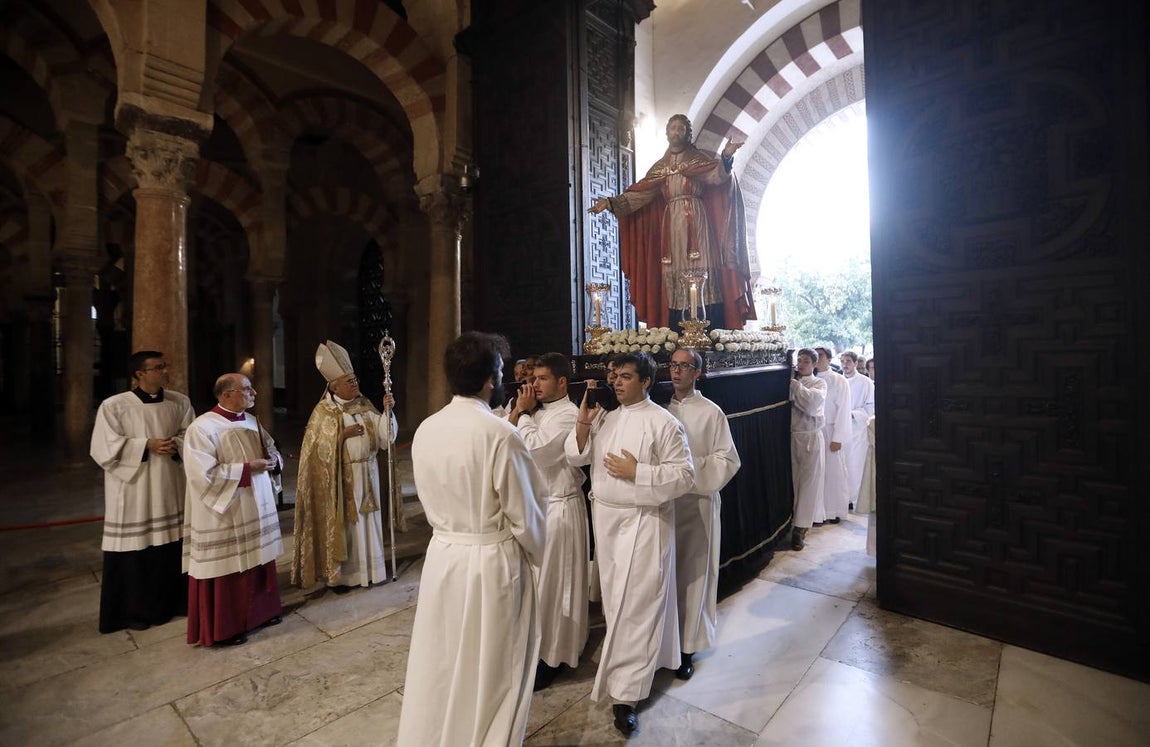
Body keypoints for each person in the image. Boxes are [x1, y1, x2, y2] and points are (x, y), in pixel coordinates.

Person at [397, 332, 547, 747]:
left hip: (443, 556)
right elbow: (526, 515)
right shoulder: (500, 435)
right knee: (494, 666)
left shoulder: (427, 429)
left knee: (442, 659)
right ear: (490, 379)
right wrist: (537, 552)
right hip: (491, 561)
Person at [565, 351, 694, 735]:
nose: (616, 382)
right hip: (607, 522)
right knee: (617, 603)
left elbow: (685, 476)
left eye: (624, 376)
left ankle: (626, 695)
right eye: (614, 375)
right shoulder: (607, 418)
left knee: (638, 605)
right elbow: (577, 457)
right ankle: (643, 665)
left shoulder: (663, 422)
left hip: (644, 522)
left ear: (646, 381)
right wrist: (583, 423)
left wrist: (640, 472)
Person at [588, 114, 756, 329]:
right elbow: (641, 194)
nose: (676, 132)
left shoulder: (697, 160)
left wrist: (726, 156)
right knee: (674, 274)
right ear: (667, 133)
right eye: (673, 128)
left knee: (703, 269)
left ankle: (711, 329)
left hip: (697, 221)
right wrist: (611, 203)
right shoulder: (660, 167)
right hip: (671, 226)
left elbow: (717, 177)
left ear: (687, 134)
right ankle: (678, 329)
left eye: (680, 128)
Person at [90, 351, 195, 633]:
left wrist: (176, 443)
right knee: (136, 549)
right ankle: (134, 612)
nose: (165, 371)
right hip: (134, 488)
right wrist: (146, 445)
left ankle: (175, 603)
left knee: (171, 546)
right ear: (139, 374)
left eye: (164, 366)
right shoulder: (115, 406)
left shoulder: (180, 401)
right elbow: (102, 446)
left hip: (169, 483)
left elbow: (191, 435)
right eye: (158, 367)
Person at [507, 352, 589, 691]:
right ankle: (533, 650)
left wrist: (524, 415)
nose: (534, 385)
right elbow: (505, 439)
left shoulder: (568, 415)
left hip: (560, 508)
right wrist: (520, 413)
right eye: (533, 378)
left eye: (542, 379)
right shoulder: (537, 412)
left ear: (562, 382)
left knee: (556, 588)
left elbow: (538, 452)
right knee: (537, 588)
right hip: (537, 508)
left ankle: (554, 656)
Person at [182, 373, 284, 646]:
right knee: (228, 565)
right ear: (226, 394)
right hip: (225, 509)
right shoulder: (202, 427)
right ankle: (226, 627)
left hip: (256, 502)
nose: (254, 393)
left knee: (260, 557)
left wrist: (274, 462)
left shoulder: (251, 421)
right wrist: (247, 469)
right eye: (247, 389)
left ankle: (264, 612)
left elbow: (271, 449)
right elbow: (201, 474)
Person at [292, 340, 398, 592]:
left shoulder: (364, 405)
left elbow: (386, 439)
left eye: (355, 380)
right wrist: (341, 434)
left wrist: (387, 412)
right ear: (335, 387)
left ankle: (372, 572)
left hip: (369, 472)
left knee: (369, 522)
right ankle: (345, 577)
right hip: (340, 479)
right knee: (348, 526)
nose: (355, 384)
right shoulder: (324, 412)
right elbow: (315, 450)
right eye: (349, 382)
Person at [666, 348, 740, 680]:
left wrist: (687, 473)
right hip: (665, 503)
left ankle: (688, 647)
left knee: (694, 575)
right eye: (673, 365)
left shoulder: (711, 412)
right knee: (667, 574)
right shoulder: (660, 410)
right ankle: (665, 643)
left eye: (684, 366)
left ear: (697, 373)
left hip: (698, 503)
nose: (677, 371)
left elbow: (727, 459)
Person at [790, 349, 826, 551]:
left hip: (810, 437)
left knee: (808, 484)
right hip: (792, 436)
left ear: (814, 364)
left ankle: (800, 529)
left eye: (806, 361)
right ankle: (791, 522)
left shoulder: (819, 383)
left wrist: (795, 385)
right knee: (793, 482)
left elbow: (812, 405)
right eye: (799, 360)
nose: (801, 364)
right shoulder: (792, 382)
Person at [815, 347, 853, 525]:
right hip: (814, 431)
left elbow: (844, 409)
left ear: (829, 359)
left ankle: (834, 510)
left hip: (831, 430)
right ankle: (818, 513)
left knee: (834, 472)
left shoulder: (838, 380)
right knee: (817, 474)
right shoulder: (810, 379)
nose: (817, 359)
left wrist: (838, 438)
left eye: (820, 356)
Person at [840, 351, 875, 507]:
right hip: (839, 430)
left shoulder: (865, 383)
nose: (845, 364)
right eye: (842, 361)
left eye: (848, 361)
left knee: (855, 465)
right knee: (840, 466)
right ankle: (842, 499)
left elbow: (871, 406)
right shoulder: (838, 381)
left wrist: (853, 414)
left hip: (857, 430)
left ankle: (854, 499)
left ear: (855, 363)